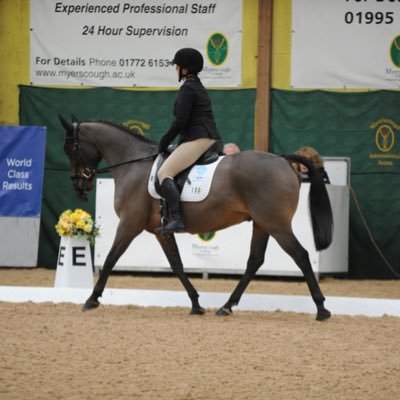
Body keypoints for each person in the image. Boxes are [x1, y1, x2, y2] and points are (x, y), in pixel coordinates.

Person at [156, 48, 223, 233]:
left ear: (186, 68)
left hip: (198, 139)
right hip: (207, 137)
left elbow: (180, 121)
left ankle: (178, 219)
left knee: (164, 173)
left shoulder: (187, 88)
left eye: (177, 66)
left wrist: (164, 140)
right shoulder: (197, 85)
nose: (175, 69)